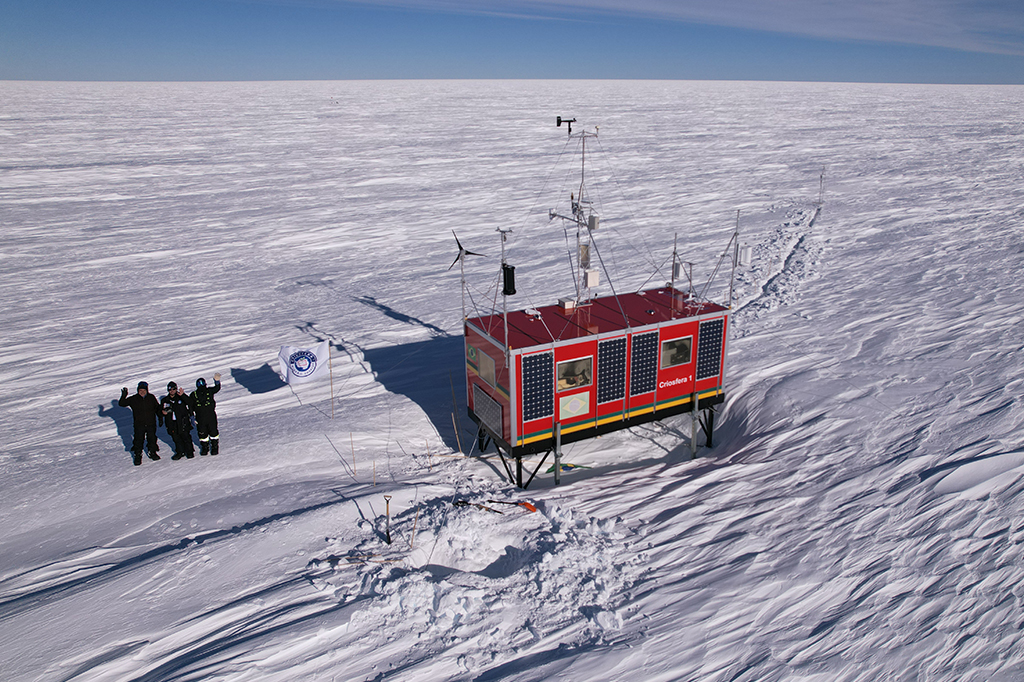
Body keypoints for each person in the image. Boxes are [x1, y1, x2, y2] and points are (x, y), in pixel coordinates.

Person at [118, 381, 162, 466]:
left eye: (144, 390)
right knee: (138, 440)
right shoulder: (134, 398)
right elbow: (122, 404)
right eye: (140, 390)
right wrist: (124, 395)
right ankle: (138, 455)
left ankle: (152, 452)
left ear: (147, 390)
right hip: (139, 424)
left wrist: (160, 418)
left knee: (152, 439)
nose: (142, 392)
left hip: (151, 423)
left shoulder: (151, 397)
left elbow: (157, 408)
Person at [161, 382, 195, 460]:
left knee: (186, 437)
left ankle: (189, 452)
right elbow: (160, 411)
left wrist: (183, 395)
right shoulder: (165, 400)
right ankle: (180, 452)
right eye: (170, 389)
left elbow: (190, 402)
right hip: (172, 422)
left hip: (182, 421)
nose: (172, 391)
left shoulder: (181, 397)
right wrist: (163, 413)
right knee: (176, 438)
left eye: (174, 389)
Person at [191, 372, 221, 455]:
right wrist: (191, 416)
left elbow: (217, 388)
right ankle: (205, 448)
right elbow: (190, 406)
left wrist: (217, 381)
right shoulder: (193, 395)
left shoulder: (209, 391)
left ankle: (215, 447)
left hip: (210, 415)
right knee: (202, 433)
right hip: (200, 417)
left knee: (213, 432)